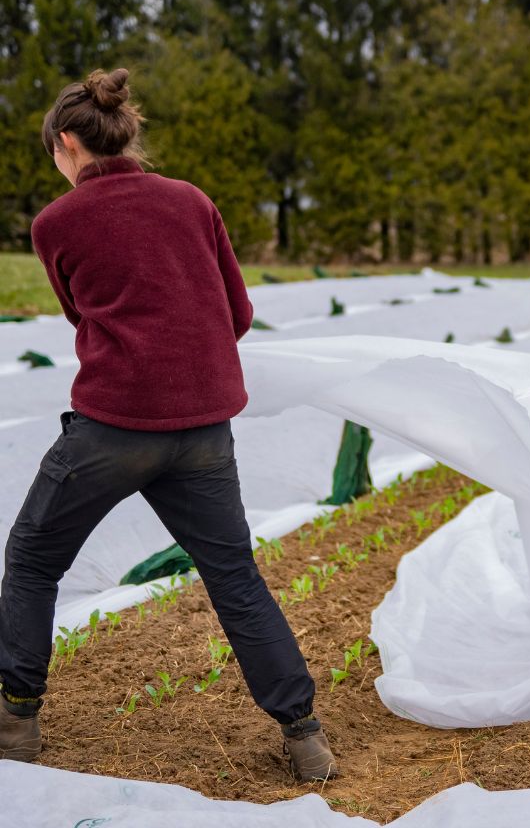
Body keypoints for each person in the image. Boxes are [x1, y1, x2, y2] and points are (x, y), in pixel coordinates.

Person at [0, 68, 336, 781]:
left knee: (31, 559)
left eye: (53, 154)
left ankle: (17, 721)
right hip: (203, 434)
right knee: (234, 576)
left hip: (112, 431)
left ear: (68, 143)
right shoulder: (191, 201)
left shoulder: (56, 224)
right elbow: (238, 313)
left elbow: (78, 312)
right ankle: (304, 735)